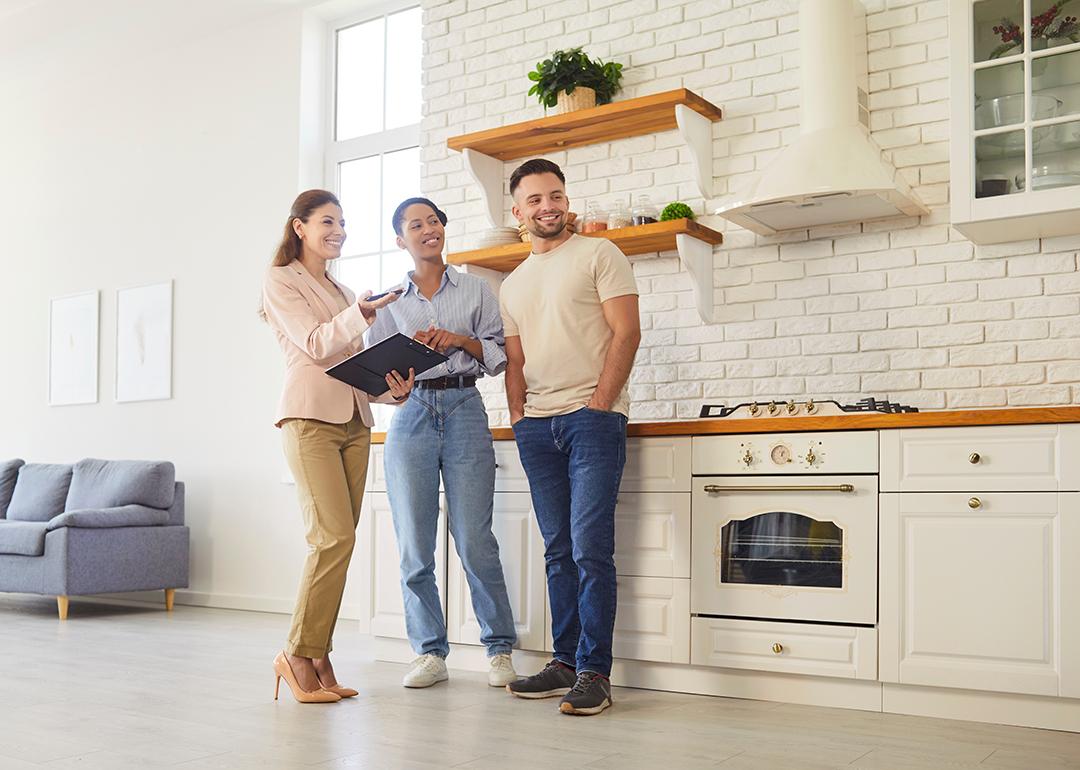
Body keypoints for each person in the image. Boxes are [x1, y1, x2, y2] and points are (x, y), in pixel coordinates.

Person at [498, 159, 641, 716]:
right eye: (534, 199)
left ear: (566, 199)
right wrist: (519, 416)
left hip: (591, 422)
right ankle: (563, 663)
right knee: (558, 552)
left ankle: (595, 672)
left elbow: (626, 332)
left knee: (589, 551)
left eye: (554, 195)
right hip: (537, 427)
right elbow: (515, 359)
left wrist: (600, 403)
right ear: (518, 212)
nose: (546, 206)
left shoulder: (600, 254)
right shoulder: (512, 284)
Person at [262, 189, 414, 704]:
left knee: (342, 543)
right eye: (328, 221)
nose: (339, 231)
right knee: (330, 539)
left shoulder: (345, 290)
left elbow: (352, 367)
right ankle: (297, 655)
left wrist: (390, 389)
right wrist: (362, 314)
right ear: (299, 226)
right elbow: (318, 345)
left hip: (353, 421)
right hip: (308, 419)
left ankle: (319, 652)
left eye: (344, 223)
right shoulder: (281, 280)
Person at [365, 197, 519, 689]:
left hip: (463, 407)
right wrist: (394, 388)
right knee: (415, 543)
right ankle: (429, 653)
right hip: (411, 416)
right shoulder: (389, 303)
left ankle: (498, 650)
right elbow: (375, 380)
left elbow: (498, 357)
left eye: (434, 221)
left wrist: (460, 340)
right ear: (400, 240)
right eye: (416, 225)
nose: (428, 229)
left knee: (476, 539)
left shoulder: (476, 289)